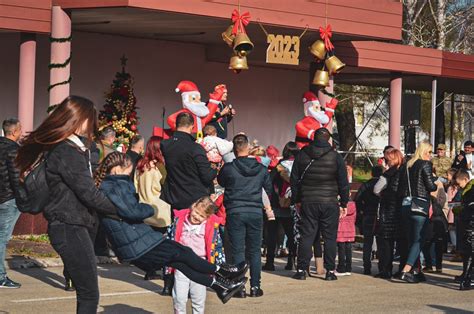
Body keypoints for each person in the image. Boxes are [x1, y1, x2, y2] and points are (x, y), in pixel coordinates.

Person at [95, 152, 247, 304]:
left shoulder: (111, 185)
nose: (129, 174)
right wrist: (149, 209)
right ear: (116, 169)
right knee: (183, 253)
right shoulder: (116, 185)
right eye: (127, 170)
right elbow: (132, 211)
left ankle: (220, 286)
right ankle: (223, 271)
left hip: (136, 241)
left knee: (181, 262)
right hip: (137, 243)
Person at [16, 96, 121, 313]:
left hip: (72, 224)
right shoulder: (67, 151)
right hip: (68, 225)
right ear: (79, 119)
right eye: (90, 119)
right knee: (90, 293)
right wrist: (121, 210)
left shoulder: (70, 148)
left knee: (87, 291)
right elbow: (89, 193)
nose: (92, 125)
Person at [290, 128, 350, 281]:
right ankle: (330, 271)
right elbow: (343, 183)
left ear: (313, 138)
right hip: (329, 201)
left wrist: (296, 200)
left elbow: (294, 179)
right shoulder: (335, 157)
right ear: (328, 139)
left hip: (308, 201)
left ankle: (302, 269)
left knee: (307, 236)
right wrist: (344, 202)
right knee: (329, 237)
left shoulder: (302, 154)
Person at [218, 134, 273, 298]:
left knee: (237, 251)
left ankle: (239, 287)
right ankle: (255, 287)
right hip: (255, 211)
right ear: (248, 148)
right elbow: (268, 190)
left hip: (235, 211)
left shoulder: (228, 168)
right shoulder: (261, 169)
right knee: (255, 251)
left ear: (234, 151)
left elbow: (221, 182)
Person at [169, 197, 225, 314]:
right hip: (182, 263)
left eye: (201, 216)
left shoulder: (210, 227)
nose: (196, 217)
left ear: (207, 217)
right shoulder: (179, 220)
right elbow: (171, 238)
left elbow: (217, 246)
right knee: (179, 297)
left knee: (198, 299)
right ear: (193, 206)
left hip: (200, 264)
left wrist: (219, 265)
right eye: (196, 212)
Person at [397, 141, 437, 283]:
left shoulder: (407, 165)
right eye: (430, 152)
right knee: (419, 240)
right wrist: (436, 181)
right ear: (425, 152)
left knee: (411, 240)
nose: (431, 155)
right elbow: (430, 186)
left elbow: (400, 186)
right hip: (419, 205)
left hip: (405, 205)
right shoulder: (425, 164)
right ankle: (406, 270)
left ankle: (416, 270)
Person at [161, 112, 217, 210]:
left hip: (173, 198)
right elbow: (207, 176)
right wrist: (214, 167)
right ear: (192, 127)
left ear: (176, 125)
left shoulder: (165, 145)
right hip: (195, 201)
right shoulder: (195, 148)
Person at [134, 136, 171, 282]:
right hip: (159, 208)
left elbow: (135, 187)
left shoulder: (140, 166)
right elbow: (165, 182)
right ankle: (161, 268)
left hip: (143, 207)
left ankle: (150, 270)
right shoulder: (159, 166)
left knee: (149, 243)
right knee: (162, 242)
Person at [264, 141, 299, 271]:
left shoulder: (279, 166)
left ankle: (270, 262)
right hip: (292, 205)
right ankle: (292, 261)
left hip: (276, 205)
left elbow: (269, 182)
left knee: (271, 234)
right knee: (291, 235)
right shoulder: (299, 166)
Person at [373, 148, 404, 279]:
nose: (386, 162)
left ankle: (385, 269)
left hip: (388, 211)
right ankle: (404, 269)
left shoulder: (387, 174)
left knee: (385, 242)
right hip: (402, 210)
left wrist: (383, 194)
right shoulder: (404, 172)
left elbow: (376, 189)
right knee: (403, 242)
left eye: (387, 160)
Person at [0, 118, 22, 288]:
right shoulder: (14, 150)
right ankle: (0, 276)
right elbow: (16, 177)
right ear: (14, 132)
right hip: (8, 198)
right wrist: (23, 197)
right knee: (2, 238)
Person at [354, 165, 383, 275]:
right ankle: (382, 266)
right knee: (380, 242)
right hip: (379, 214)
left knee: (367, 242)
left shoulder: (366, 185)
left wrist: (362, 209)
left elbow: (357, 199)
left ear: (371, 173)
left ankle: (367, 267)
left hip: (368, 214)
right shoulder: (383, 185)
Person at [422, 179, 448, 273]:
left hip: (433, 224)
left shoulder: (429, 199)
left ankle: (429, 265)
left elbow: (431, 213)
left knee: (426, 245)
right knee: (438, 247)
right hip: (439, 224)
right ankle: (438, 267)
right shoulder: (434, 200)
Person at [454, 169, 474, 290]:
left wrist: (461, 209)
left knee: (470, 251)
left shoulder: (471, 190)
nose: (457, 186)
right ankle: (466, 277)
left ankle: (467, 278)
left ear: (466, 179)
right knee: (467, 251)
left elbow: (470, 206)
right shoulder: (467, 190)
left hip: (470, 222)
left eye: (459, 183)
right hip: (468, 222)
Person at [335, 201, 357, 276]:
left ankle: (341, 267)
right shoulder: (353, 205)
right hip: (350, 229)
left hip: (341, 229)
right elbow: (354, 217)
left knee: (341, 249)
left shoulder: (338, 206)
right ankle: (348, 268)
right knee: (348, 249)